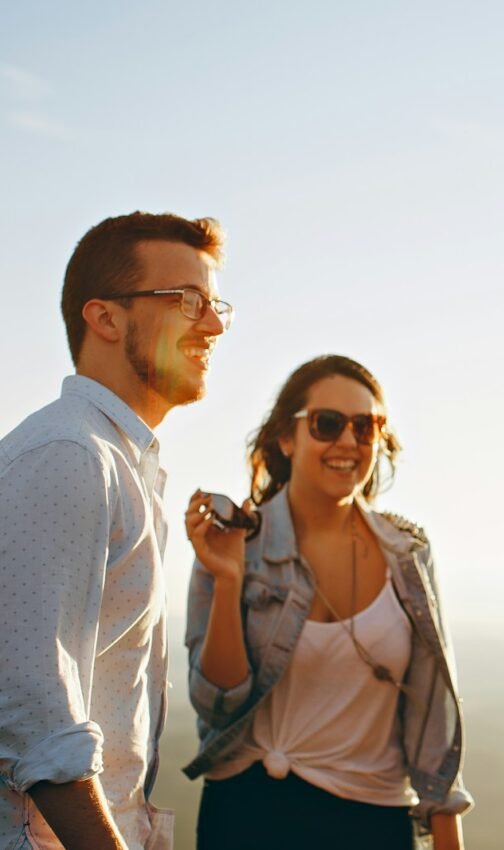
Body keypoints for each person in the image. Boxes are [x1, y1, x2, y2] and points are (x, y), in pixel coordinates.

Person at [0, 213, 230, 850]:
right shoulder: (70, 455)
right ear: (105, 318)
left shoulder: (119, 463)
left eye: (215, 306)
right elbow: (37, 717)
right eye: (188, 301)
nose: (211, 325)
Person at [182, 354, 471, 850]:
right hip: (245, 816)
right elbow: (217, 705)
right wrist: (227, 581)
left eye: (366, 427)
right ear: (286, 437)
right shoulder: (235, 544)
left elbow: (433, 722)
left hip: (372, 822)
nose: (347, 442)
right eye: (328, 424)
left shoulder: (408, 554)